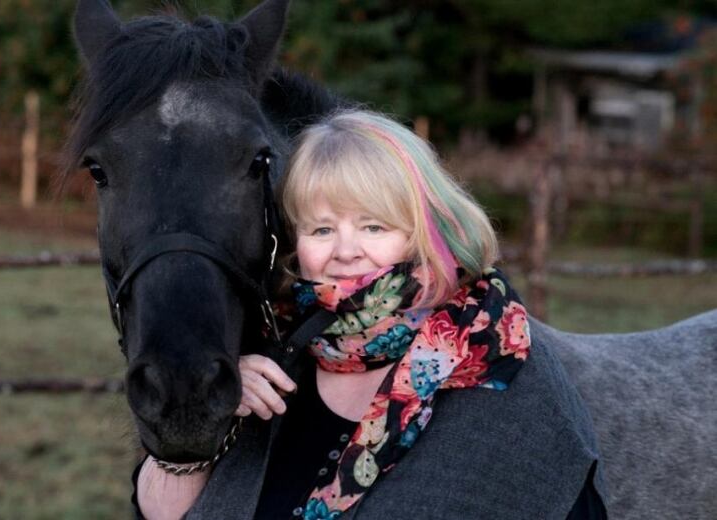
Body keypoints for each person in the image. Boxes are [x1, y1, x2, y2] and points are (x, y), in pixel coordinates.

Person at [133, 110, 606, 519]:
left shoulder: (498, 362)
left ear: (424, 232)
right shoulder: (272, 349)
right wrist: (205, 424)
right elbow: (163, 513)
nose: (345, 251)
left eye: (373, 226)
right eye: (321, 229)